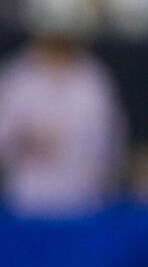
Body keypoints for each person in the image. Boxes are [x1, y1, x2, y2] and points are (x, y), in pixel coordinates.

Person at [0, 22, 126, 215]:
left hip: (83, 199)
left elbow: (109, 141)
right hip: (27, 200)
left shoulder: (92, 78)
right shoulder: (16, 77)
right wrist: (24, 139)